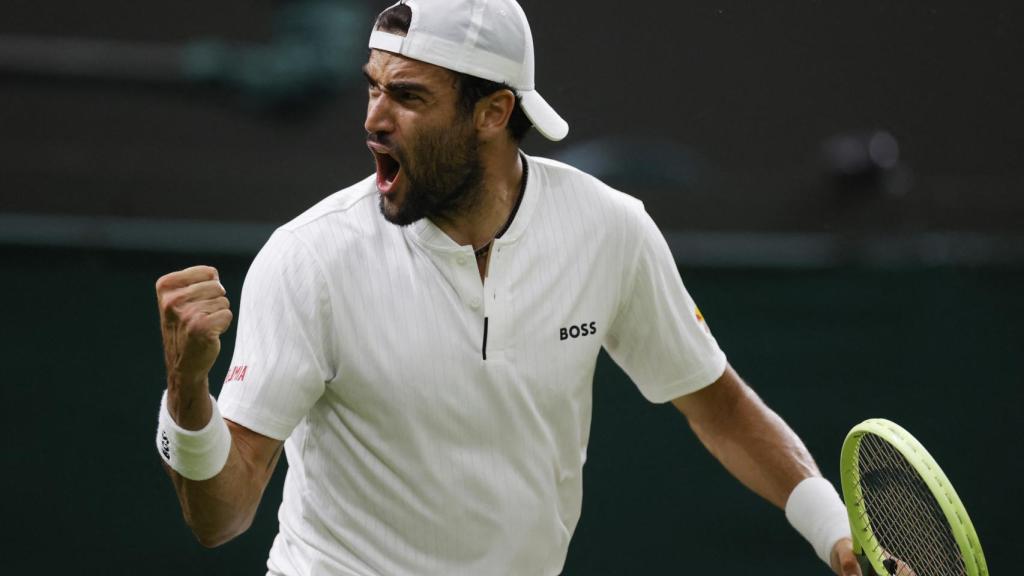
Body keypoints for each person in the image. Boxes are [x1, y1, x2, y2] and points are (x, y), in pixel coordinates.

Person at [154, 1, 865, 574]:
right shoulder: (308, 259)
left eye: (407, 96)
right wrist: (189, 396)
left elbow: (720, 406)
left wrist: (835, 532)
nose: (372, 118)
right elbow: (221, 518)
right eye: (373, 86)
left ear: (493, 112)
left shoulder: (608, 229)